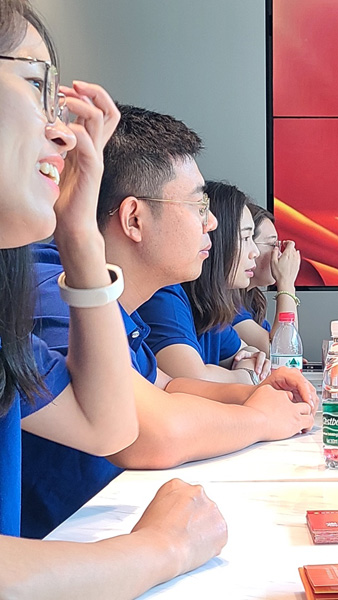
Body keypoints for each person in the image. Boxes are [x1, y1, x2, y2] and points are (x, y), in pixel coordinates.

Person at [0, 1, 226, 595]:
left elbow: (106, 426)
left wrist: (78, 231)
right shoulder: (40, 287)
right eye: (34, 85)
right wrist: (162, 548)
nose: (61, 132)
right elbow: (144, 432)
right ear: (133, 218)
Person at [26, 106, 317, 537]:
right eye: (199, 205)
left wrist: (253, 394)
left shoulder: (115, 300)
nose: (212, 223)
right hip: (62, 551)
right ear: (134, 219)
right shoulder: (52, 286)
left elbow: (166, 385)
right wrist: (260, 419)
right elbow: (149, 431)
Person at [137, 180, 275, 382]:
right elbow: (193, 379)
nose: (254, 252)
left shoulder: (210, 306)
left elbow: (254, 357)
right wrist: (244, 376)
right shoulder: (165, 296)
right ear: (217, 240)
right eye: (246, 238)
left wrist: (244, 370)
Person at [233, 202, 301, 353]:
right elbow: (281, 351)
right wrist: (286, 283)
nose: (279, 254)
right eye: (272, 244)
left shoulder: (252, 301)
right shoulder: (229, 308)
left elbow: (286, 349)